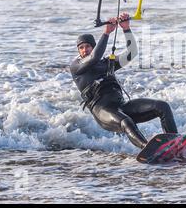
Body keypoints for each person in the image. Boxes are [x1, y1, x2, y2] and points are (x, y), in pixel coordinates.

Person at [70, 12, 178, 149]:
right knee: (126, 122)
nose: (85, 50)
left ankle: (175, 143)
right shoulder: (76, 67)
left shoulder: (106, 63)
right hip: (102, 111)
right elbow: (94, 57)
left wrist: (126, 28)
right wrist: (107, 33)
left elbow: (132, 52)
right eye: (81, 47)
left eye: (88, 46)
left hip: (121, 106)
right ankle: (148, 148)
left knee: (162, 107)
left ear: (93, 47)